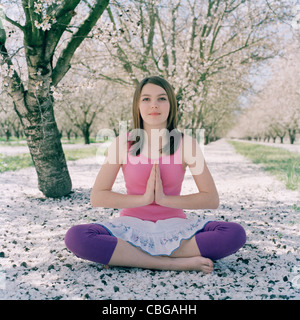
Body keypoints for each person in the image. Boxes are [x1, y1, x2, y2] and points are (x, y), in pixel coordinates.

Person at [65, 76, 246, 273]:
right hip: (130, 227)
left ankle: (130, 257)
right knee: (76, 237)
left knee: (234, 234)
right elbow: (98, 196)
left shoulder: (186, 144)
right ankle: (170, 262)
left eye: (161, 98)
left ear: (171, 105)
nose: (154, 105)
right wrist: (143, 199)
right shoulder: (122, 143)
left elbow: (211, 199)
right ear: (137, 105)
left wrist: (164, 200)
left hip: (175, 228)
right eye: (146, 99)